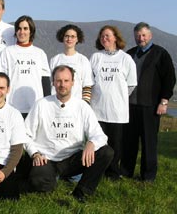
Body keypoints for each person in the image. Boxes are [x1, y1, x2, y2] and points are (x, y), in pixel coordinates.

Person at [24, 65, 113, 202]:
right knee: (40, 184)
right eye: (58, 81)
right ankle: (53, 177)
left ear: (73, 82)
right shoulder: (41, 104)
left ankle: (82, 191)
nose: (62, 85)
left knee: (106, 152)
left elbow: (100, 135)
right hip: (47, 159)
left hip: (73, 159)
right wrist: (35, 153)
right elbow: (25, 134)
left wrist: (92, 143)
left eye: (66, 81)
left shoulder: (82, 106)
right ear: (53, 82)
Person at [120, 22, 176, 182]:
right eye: (138, 35)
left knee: (149, 142)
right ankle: (126, 171)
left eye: (144, 35)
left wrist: (164, 102)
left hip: (150, 106)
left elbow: (169, 79)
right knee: (129, 141)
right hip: (130, 105)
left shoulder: (161, 54)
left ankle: (148, 176)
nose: (141, 38)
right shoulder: (129, 54)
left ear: (150, 36)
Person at [89, 25, 137, 180]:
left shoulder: (125, 59)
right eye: (102, 36)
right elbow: (89, 81)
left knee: (116, 143)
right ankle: (97, 170)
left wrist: (118, 96)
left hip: (117, 111)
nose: (105, 38)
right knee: (98, 142)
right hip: (98, 109)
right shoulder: (96, 57)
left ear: (116, 37)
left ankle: (113, 172)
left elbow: (131, 84)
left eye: (108, 35)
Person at [0, 15, 51, 118]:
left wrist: (47, 104)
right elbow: (1, 79)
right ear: (16, 31)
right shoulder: (8, 52)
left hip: (35, 106)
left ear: (31, 31)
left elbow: (45, 80)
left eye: (25, 28)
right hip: (13, 106)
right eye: (19, 28)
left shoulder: (40, 53)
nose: (22, 32)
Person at [50, 24, 94, 103]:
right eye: (66, 36)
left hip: (76, 105)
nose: (69, 39)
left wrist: (85, 104)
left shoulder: (83, 60)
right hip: (56, 104)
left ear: (77, 39)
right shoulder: (55, 60)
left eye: (73, 36)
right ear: (62, 38)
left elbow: (87, 86)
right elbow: (51, 84)